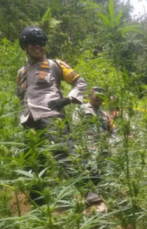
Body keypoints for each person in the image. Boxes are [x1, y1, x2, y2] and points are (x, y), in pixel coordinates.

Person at [16, 26, 100, 206]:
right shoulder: (21, 73)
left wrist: (68, 99)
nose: (38, 47)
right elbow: (20, 95)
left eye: (42, 44)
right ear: (25, 46)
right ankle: (37, 199)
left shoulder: (55, 64)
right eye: (33, 44)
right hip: (29, 118)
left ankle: (88, 190)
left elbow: (80, 82)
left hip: (51, 114)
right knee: (32, 158)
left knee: (64, 152)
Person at [73, 87, 117, 178]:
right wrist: (82, 144)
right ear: (89, 96)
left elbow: (113, 130)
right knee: (91, 172)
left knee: (105, 172)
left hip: (104, 147)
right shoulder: (81, 109)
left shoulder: (104, 114)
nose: (99, 98)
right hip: (88, 146)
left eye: (102, 96)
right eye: (97, 96)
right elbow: (77, 127)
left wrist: (112, 142)